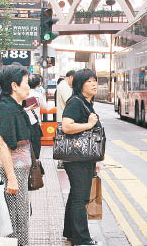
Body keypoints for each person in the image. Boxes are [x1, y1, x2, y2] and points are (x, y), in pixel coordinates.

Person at [62, 68, 101, 246]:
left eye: (95, 80)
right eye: (89, 81)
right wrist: (89, 124)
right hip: (76, 158)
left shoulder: (86, 102)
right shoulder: (76, 102)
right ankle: (81, 239)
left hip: (83, 158)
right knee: (81, 197)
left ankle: (71, 234)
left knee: (75, 196)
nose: (94, 84)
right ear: (80, 84)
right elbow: (67, 127)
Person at [0, 64, 32, 246]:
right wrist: (11, 178)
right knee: (15, 220)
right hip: (14, 174)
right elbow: (2, 146)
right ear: (14, 86)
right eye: (26, 82)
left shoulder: (16, 107)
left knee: (22, 216)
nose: (29, 86)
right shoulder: (7, 110)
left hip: (20, 173)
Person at [26, 74, 48, 159]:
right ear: (38, 84)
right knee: (36, 145)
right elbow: (45, 106)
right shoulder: (38, 94)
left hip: (24, 123)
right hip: (34, 122)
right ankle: (35, 164)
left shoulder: (23, 94)